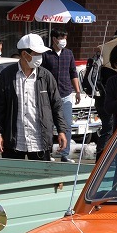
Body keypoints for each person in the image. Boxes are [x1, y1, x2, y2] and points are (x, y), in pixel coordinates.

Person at [0, 33, 67, 161]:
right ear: (25, 54)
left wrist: (61, 130)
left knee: (40, 179)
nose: (41, 57)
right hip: (14, 141)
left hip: (40, 141)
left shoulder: (46, 76)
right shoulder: (7, 75)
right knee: (13, 178)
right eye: (37, 54)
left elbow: (56, 105)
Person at [46, 29, 82, 161]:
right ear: (54, 39)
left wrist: (77, 91)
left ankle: (64, 154)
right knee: (48, 125)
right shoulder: (46, 54)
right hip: (49, 96)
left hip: (66, 93)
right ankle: (47, 153)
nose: (64, 40)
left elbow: (73, 73)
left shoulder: (69, 53)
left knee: (66, 125)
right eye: (61, 37)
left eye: (65, 37)